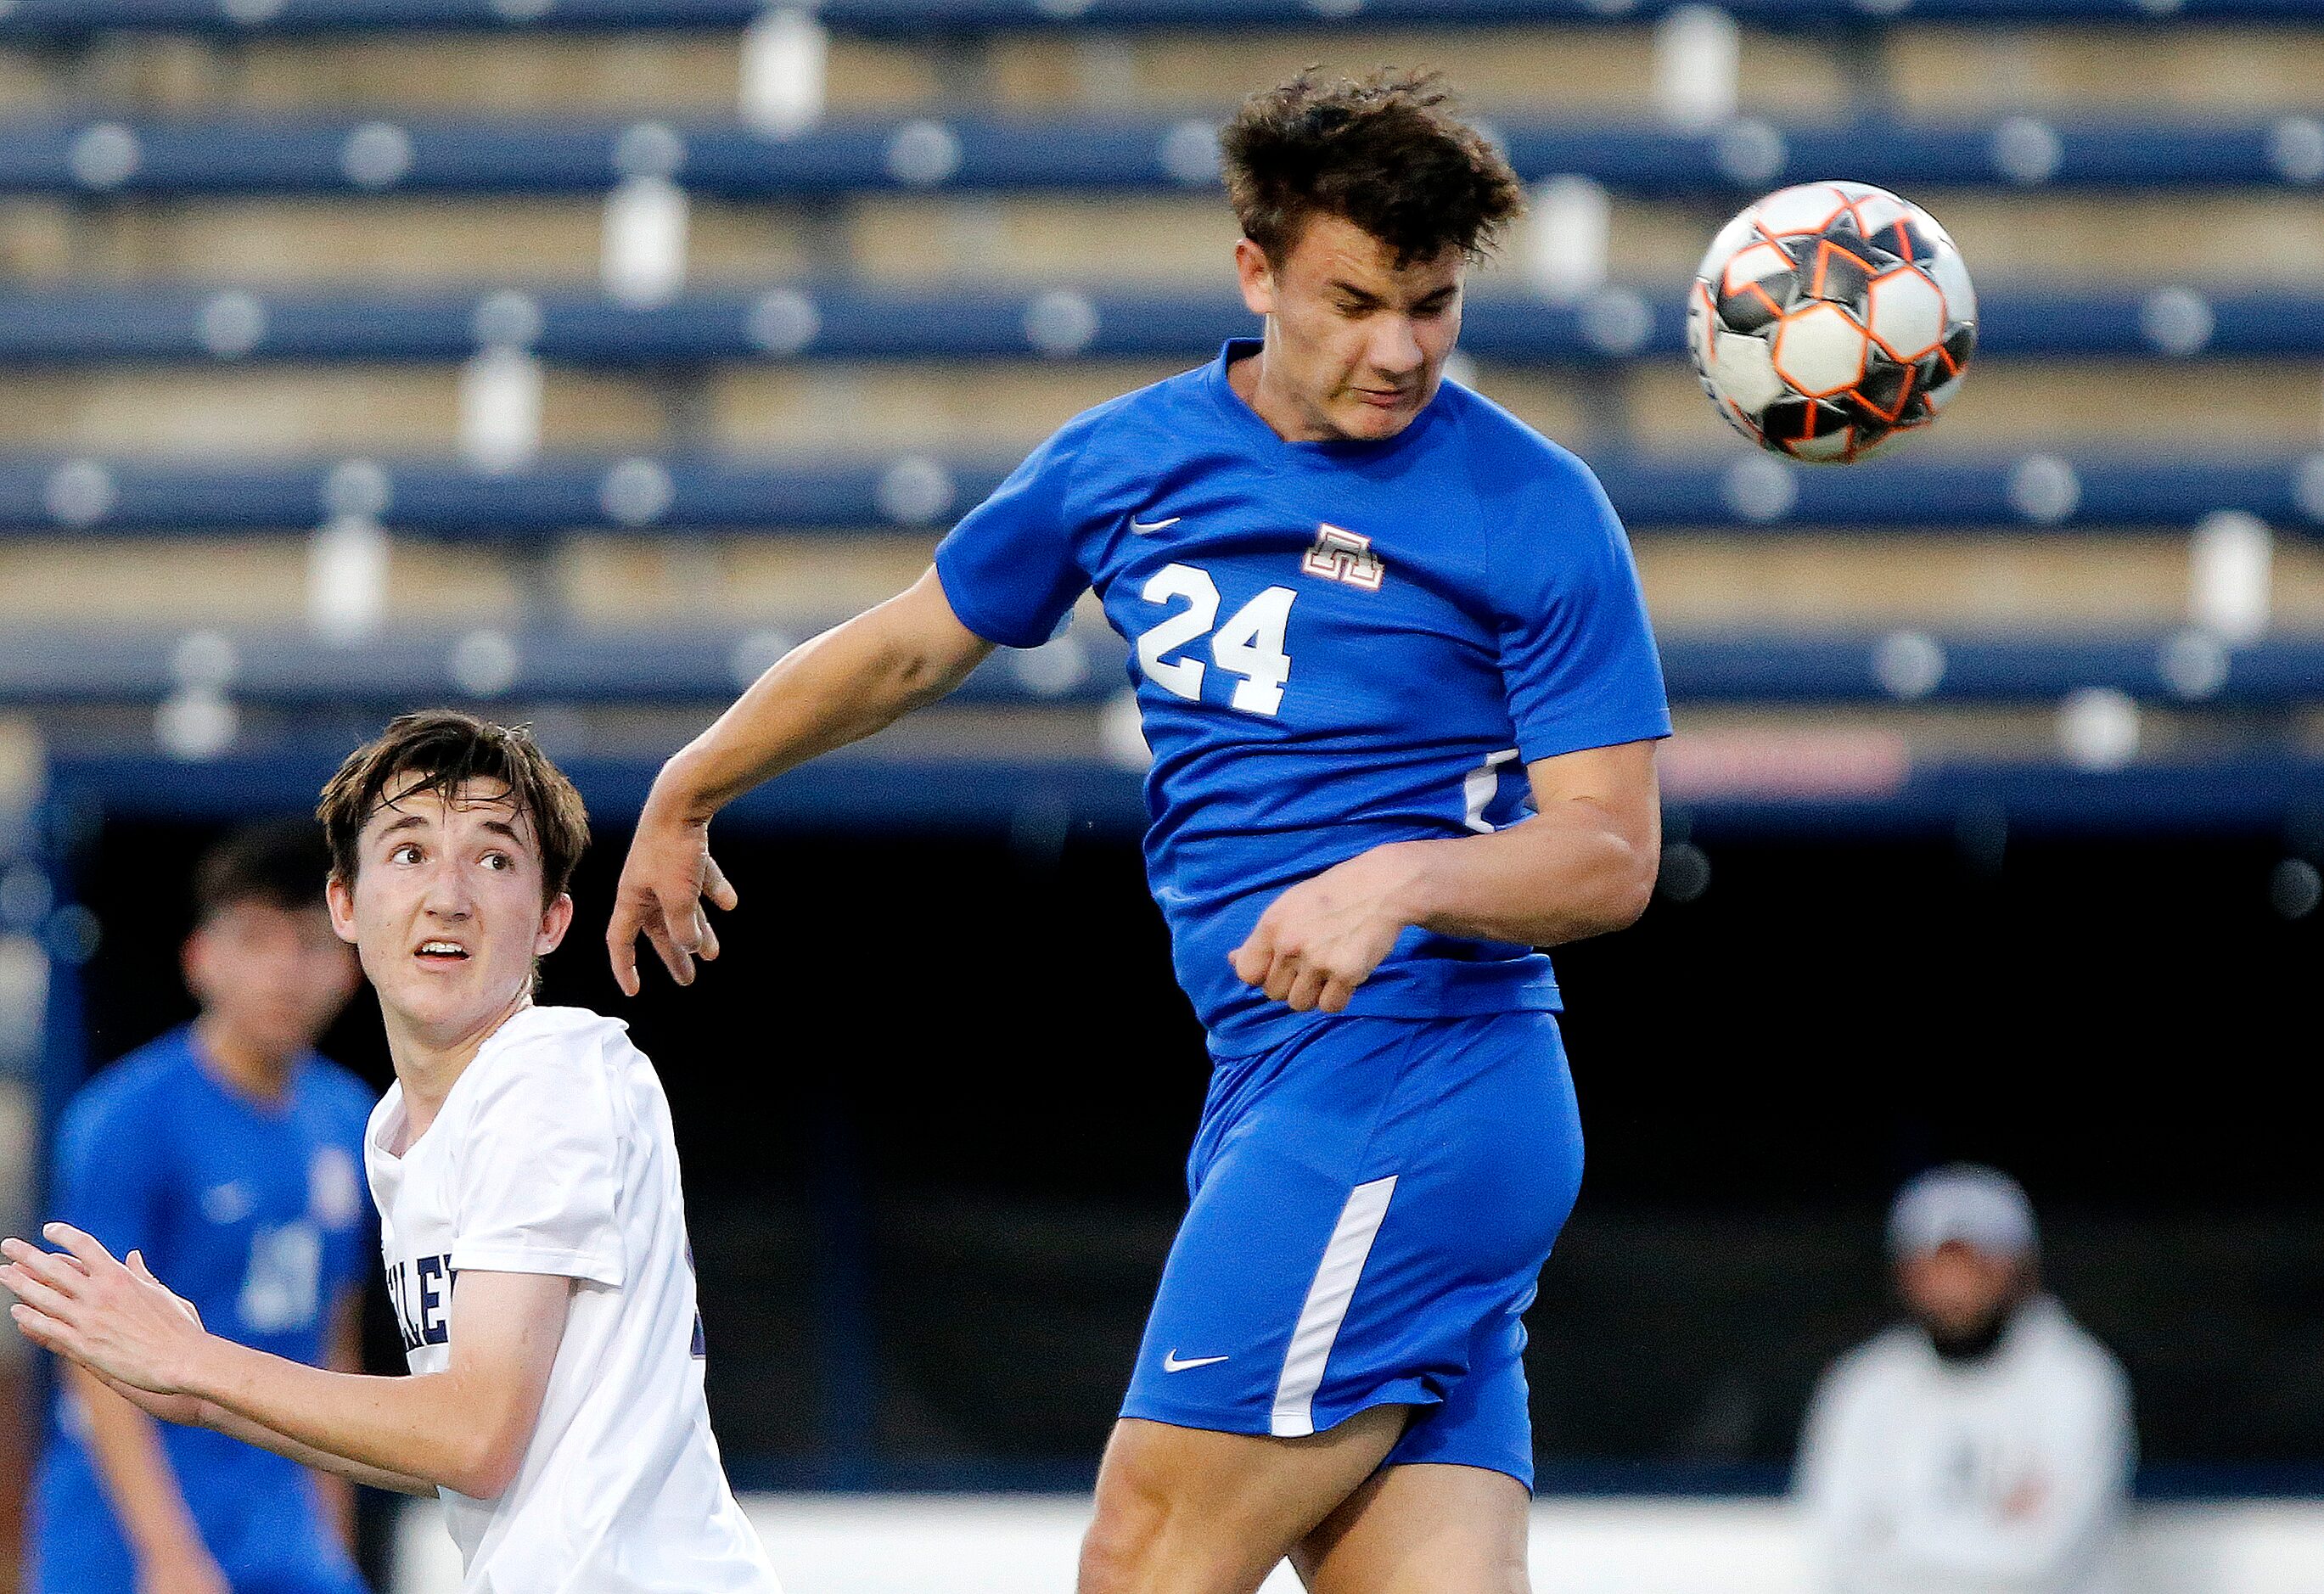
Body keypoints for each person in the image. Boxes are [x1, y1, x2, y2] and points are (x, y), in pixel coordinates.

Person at [607, 69, 1668, 1594]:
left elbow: (1610, 856)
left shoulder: (1530, 503)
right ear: (1256, 272)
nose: (1398, 348)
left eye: (1432, 307)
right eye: (1356, 299)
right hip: (1281, 1082)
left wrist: (1401, 875)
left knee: (1143, 1556)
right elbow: (912, 642)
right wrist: (691, 782)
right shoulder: (1128, 459)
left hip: (1412, 1086)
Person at [3, 710, 779, 1594]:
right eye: (409, 854)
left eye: (494, 859)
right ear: (348, 904)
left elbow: (472, 1437)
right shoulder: (393, 1130)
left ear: (551, 920)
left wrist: (200, 1366)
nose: (447, 894)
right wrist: (202, 1400)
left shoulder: (550, 1073)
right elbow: (458, 1446)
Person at [25, 822, 373, 1594]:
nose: (284, 972)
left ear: (350, 965)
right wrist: (168, 1554)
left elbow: (333, 1332)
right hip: (131, 1538)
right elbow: (88, 1352)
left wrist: (332, 1537)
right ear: (201, 959)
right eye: (254, 941)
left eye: (311, 943)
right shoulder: (125, 1120)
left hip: (281, 1526)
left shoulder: (351, 1116)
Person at [1795, 1164, 2136, 1594]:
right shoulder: (1865, 1384)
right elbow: (1841, 1544)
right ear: (1907, 1273)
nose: (1956, 1283)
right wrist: (1996, 1528)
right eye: (1939, 1263)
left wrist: (1900, 1532)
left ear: (2020, 1266)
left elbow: (2044, 1558)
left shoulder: (2079, 1380)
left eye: (1976, 1262)